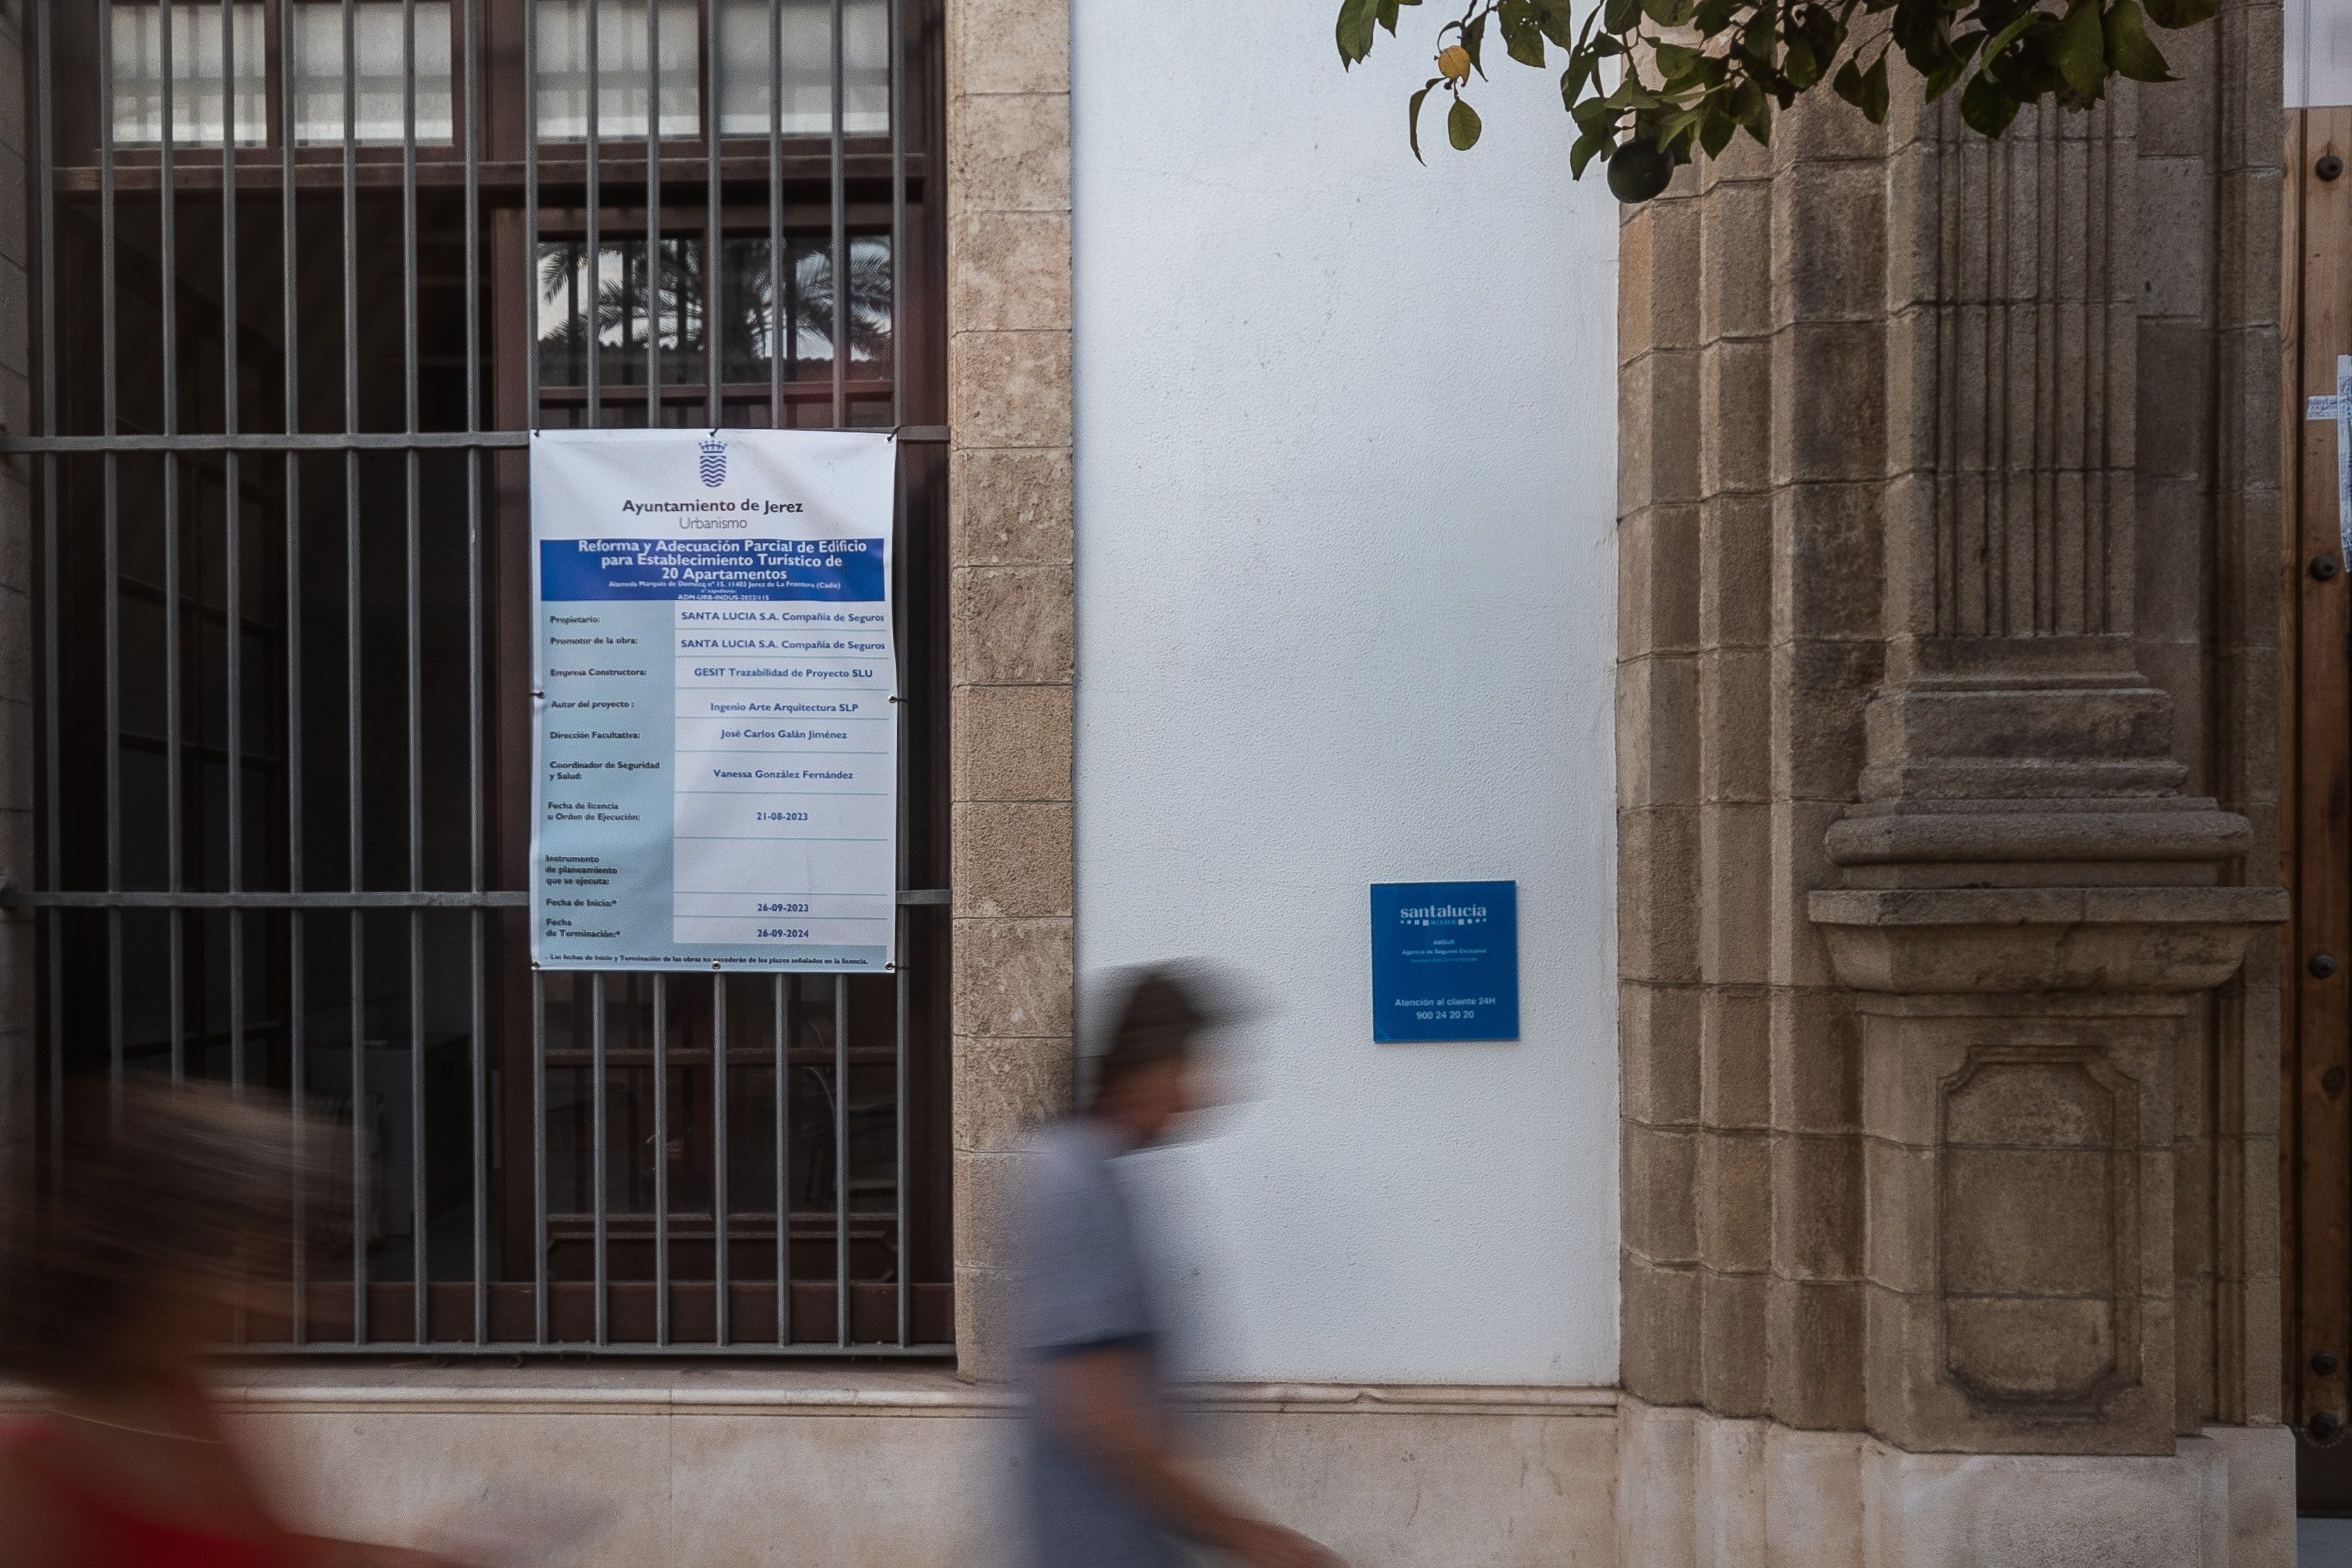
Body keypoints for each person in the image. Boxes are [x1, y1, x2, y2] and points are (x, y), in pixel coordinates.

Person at [0, 1082, 465, 1568]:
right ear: (161, 1270)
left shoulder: (180, 1405)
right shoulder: (29, 1487)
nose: (290, 1301)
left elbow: (272, 1552)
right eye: (261, 1263)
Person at [1017, 966, 1343, 1568]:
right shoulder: (1074, 1176)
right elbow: (1096, 1405)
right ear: (1154, 1066)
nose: (1207, 1091)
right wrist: (1246, 1536)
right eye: (1198, 1067)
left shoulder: (1113, 1173)